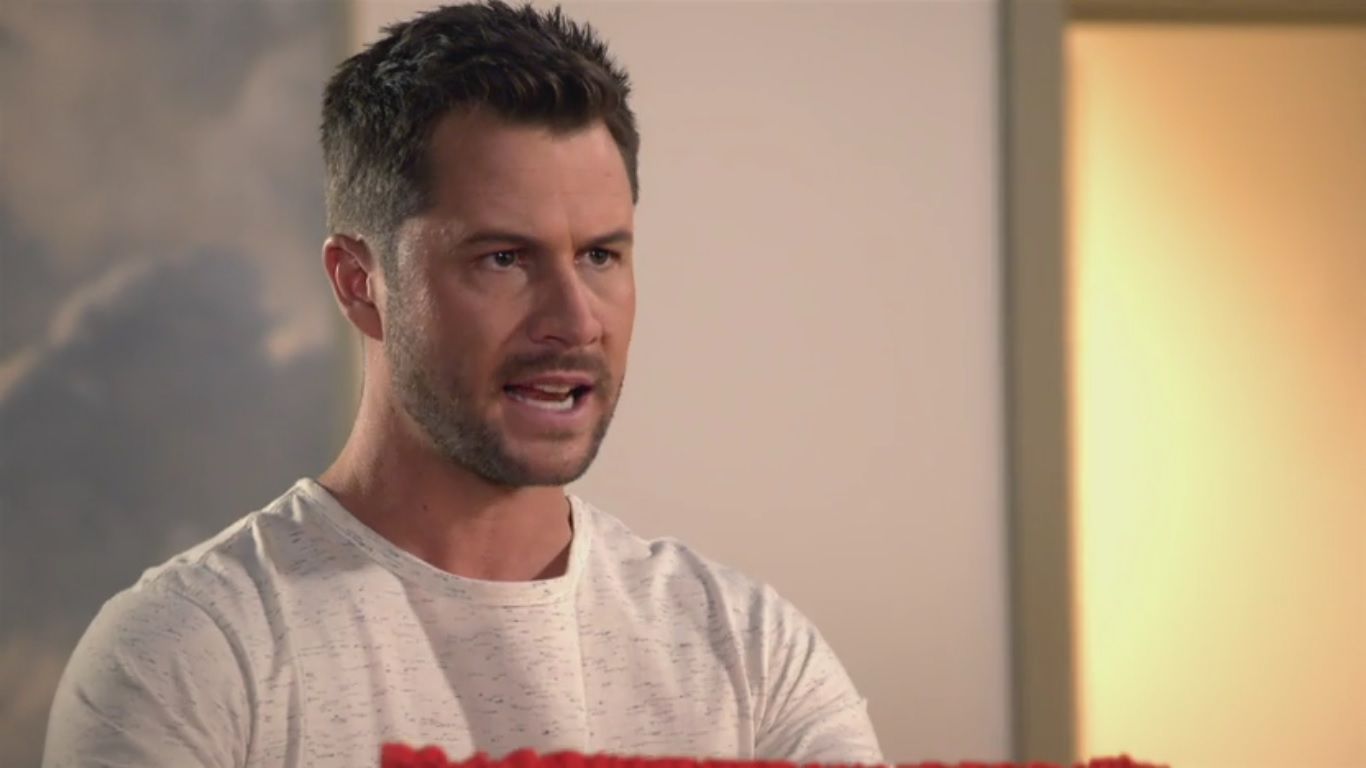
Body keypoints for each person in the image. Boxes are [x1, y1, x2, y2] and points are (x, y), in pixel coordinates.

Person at [43, 3, 883, 766]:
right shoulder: (187, 657)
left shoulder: (751, 652)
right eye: (504, 258)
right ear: (360, 283)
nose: (575, 320)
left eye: (600, 255)